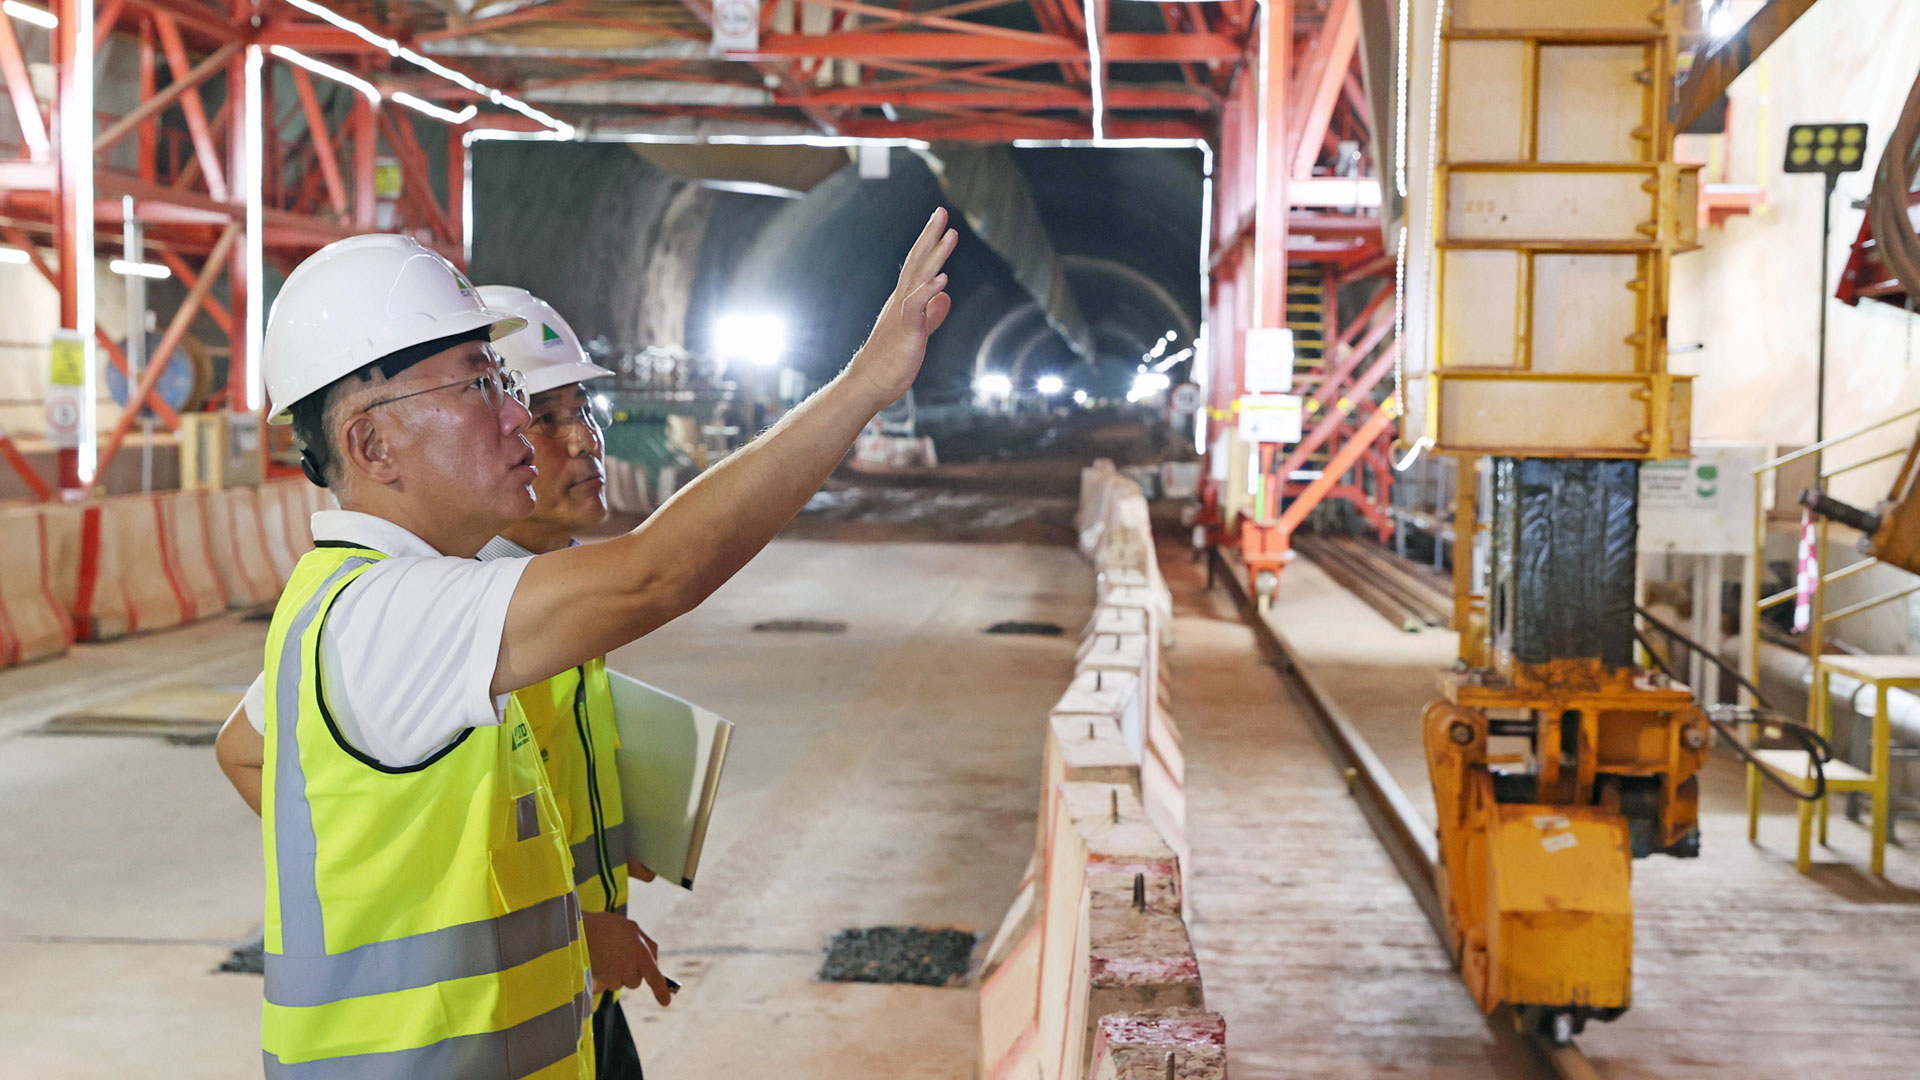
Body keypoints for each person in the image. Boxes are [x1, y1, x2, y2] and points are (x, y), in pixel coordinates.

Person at [213, 211, 956, 1077]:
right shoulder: (388, 615)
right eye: (482, 389)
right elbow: (657, 573)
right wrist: (864, 383)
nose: (515, 421)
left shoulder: (389, 603)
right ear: (372, 443)